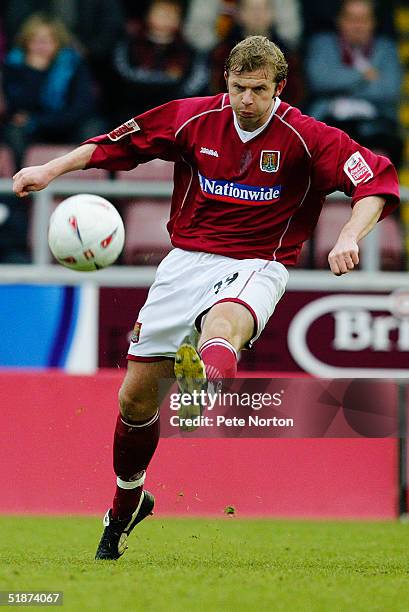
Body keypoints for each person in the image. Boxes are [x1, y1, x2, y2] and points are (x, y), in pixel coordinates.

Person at [13, 35, 399, 560]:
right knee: (133, 400)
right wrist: (47, 170)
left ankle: (203, 379)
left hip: (260, 262)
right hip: (185, 263)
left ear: (279, 88)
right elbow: (113, 143)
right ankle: (128, 502)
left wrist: (351, 234)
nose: (246, 100)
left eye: (258, 90)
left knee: (224, 328)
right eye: (238, 87)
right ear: (227, 82)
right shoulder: (193, 118)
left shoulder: (306, 136)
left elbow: (374, 181)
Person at [1, 13, 106, 172]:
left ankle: (86, 185)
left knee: (93, 127)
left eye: (47, 40)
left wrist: (37, 121)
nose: (41, 46)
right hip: (33, 130)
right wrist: (32, 73)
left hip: (66, 124)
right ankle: (22, 186)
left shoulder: (73, 64)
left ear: (58, 43)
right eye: (35, 40)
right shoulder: (13, 65)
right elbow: (14, 108)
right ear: (26, 42)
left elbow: (81, 108)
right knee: (13, 131)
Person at [305, 0, 403, 168]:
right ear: (339, 20)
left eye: (363, 19)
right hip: (330, 121)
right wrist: (364, 76)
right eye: (351, 19)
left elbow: (390, 90)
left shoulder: (387, 49)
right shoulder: (322, 44)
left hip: (376, 125)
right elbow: (319, 80)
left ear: (373, 22)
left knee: (383, 151)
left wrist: (340, 86)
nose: (357, 26)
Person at [112, 0, 208, 122]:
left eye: (172, 13)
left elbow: (195, 82)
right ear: (148, 15)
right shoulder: (131, 45)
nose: (166, 17)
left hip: (174, 115)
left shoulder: (188, 51)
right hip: (134, 113)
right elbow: (122, 75)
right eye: (161, 12)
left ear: (180, 19)